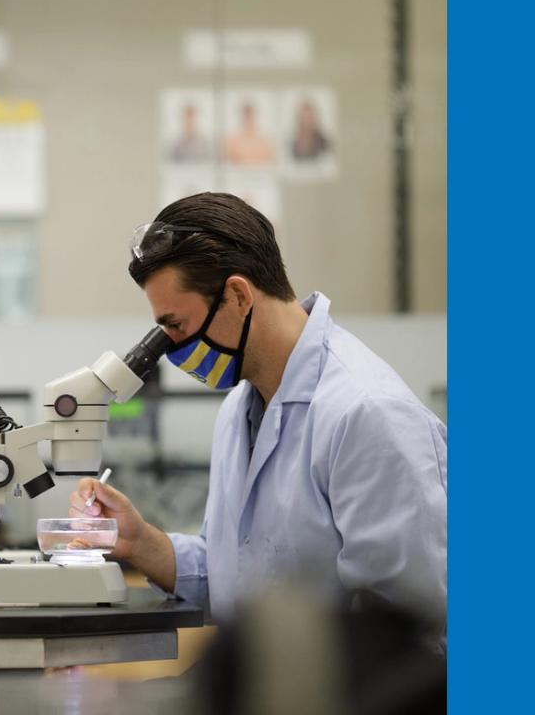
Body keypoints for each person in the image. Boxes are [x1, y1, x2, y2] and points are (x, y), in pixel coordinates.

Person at [70, 193, 447, 642]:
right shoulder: (240, 408)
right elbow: (237, 576)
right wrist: (140, 544)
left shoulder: (366, 414)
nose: (171, 348)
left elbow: (412, 638)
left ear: (237, 295)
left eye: (177, 327)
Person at [223, 102, 275, 166]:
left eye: (250, 115)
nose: (248, 118)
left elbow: (270, 161)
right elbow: (228, 162)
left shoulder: (265, 140)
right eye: (245, 115)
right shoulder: (231, 140)